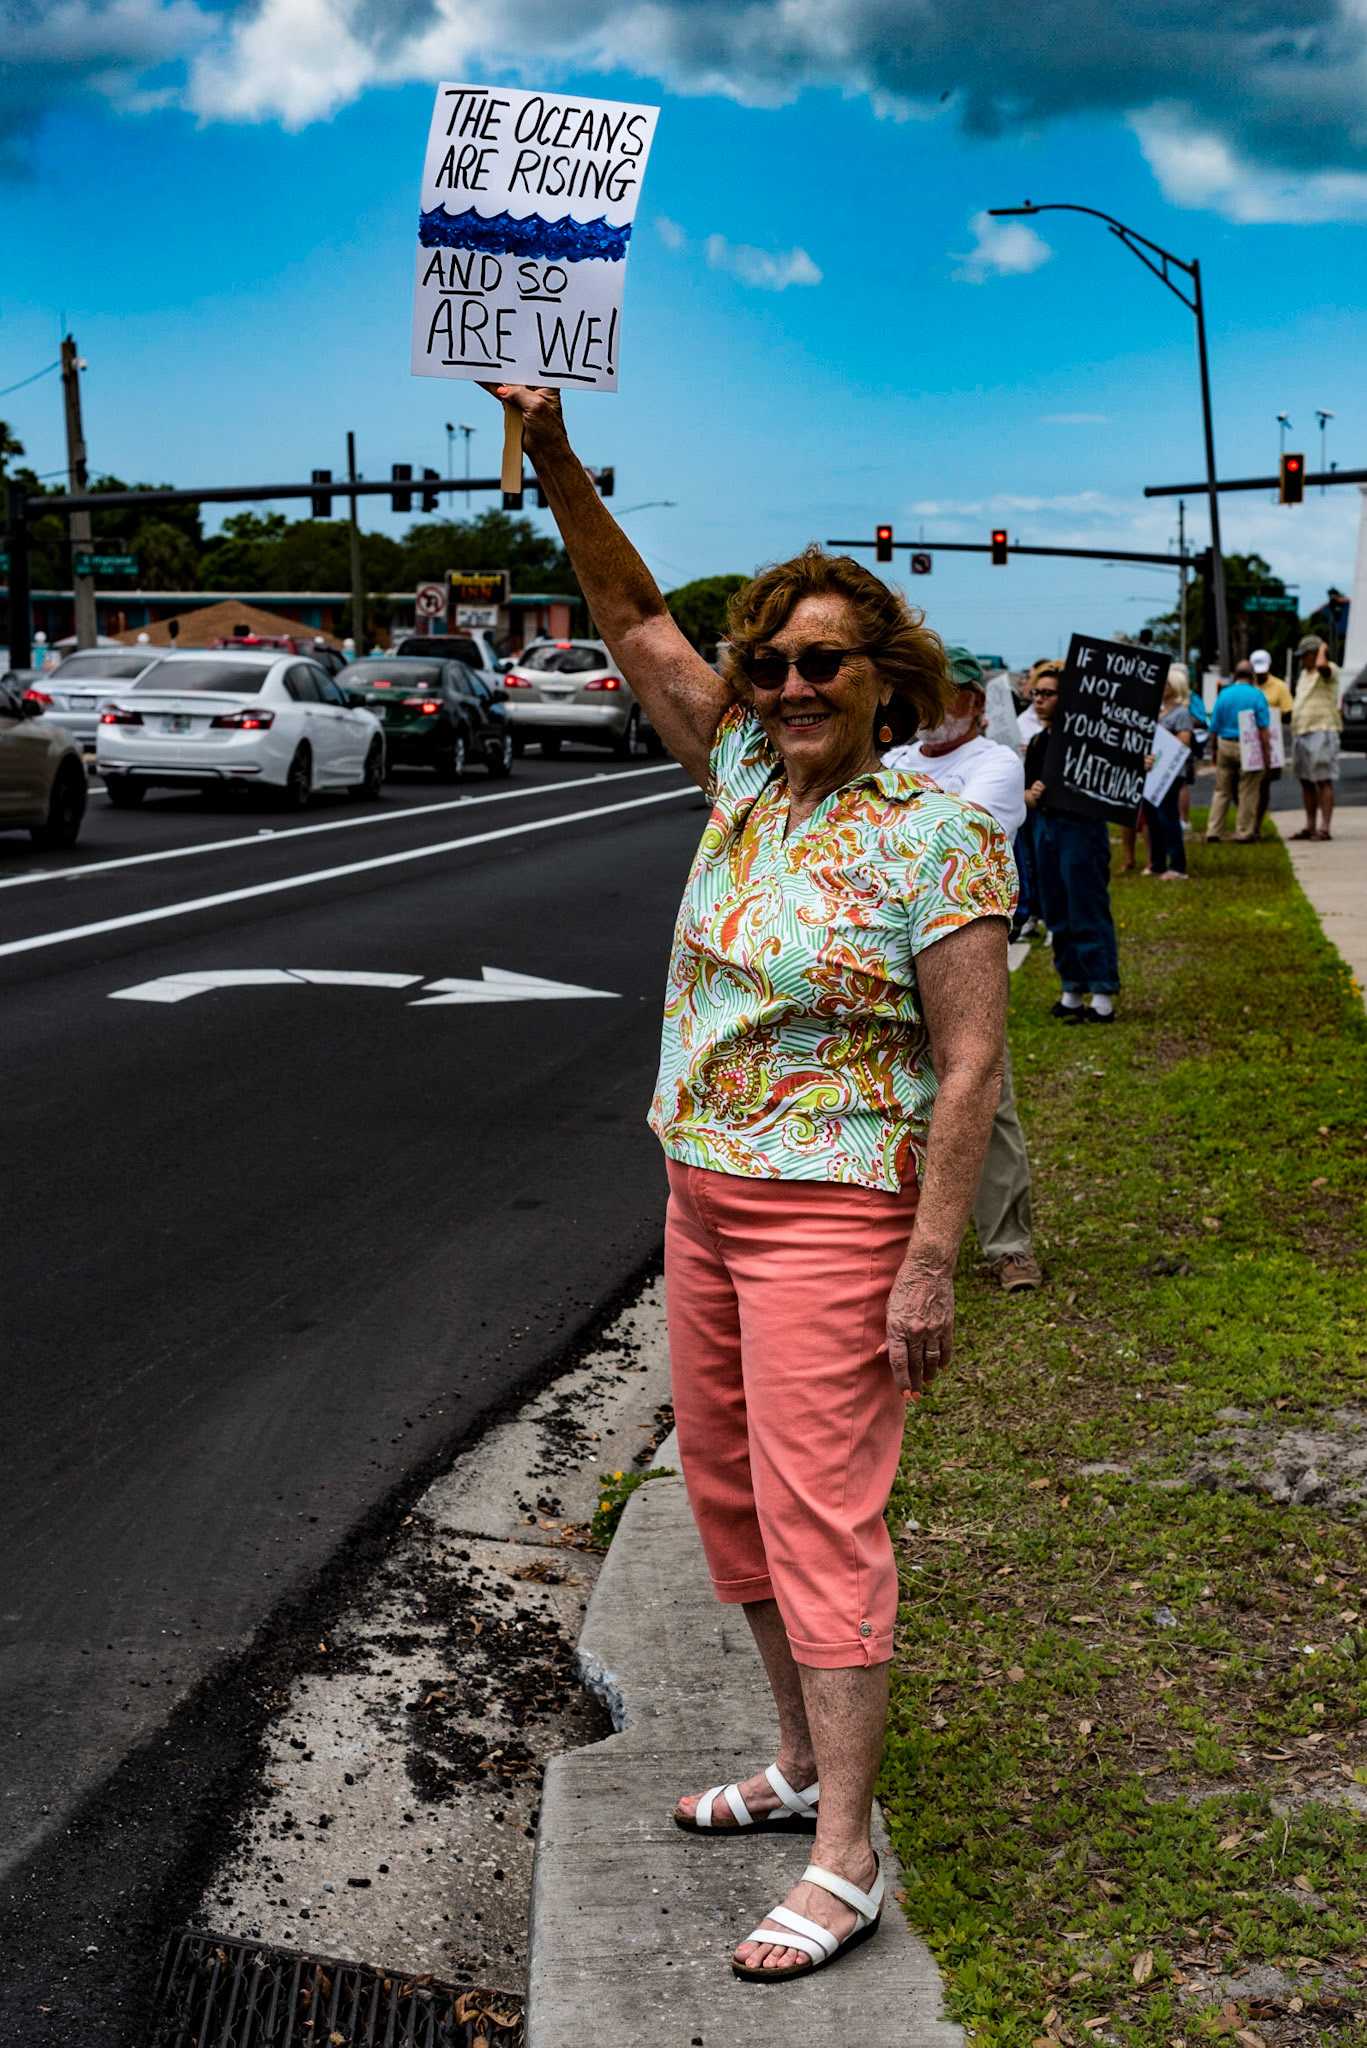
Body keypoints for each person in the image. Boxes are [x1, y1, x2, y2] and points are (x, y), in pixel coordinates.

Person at [486, 380, 1014, 1984]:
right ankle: (794, 1764)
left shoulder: (934, 837)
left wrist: (928, 1260)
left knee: (822, 1516)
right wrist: (554, 452)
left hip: (838, 1214)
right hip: (702, 1199)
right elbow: (629, 605)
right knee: (725, 1497)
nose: (787, 683)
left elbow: (973, 1063)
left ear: (883, 682)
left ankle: (846, 1854)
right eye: (769, 661)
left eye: (820, 663)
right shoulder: (733, 778)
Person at [884, 651, 1041, 1294]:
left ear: (978, 704)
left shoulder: (996, 764)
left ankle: (1009, 1245)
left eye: (949, 695)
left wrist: (887, 828)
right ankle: (899, 1243)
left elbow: (959, 839)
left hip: (960, 953)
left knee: (981, 1095)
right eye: (924, 693)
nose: (934, 707)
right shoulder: (891, 761)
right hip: (886, 950)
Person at [1023, 671, 1121, 1022]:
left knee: (1087, 907)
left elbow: (1114, 774)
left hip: (1080, 827)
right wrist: (1029, 797)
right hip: (1045, 827)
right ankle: (1072, 990)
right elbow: (1024, 794)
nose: (1039, 699)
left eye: (1048, 693)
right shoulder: (1036, 742)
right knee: (1056, 911)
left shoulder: (1086, 740)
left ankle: (1102, 992)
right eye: (1036, 692)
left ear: (1066, 699)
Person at [1205, 661, 1270, 842]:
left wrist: (1213, 750)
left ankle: (1214, 830)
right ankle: (1244, 832)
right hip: (1248, 745)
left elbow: (1213, 726)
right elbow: (1263, 728)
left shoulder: (1224, 694)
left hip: (1225, 743)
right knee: (1248, 790)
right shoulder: (1257, 695)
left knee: (1221, 790)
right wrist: (1267, 753)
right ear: (1252, 676)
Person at [1140, 666, 1194, 880]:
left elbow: (1184, 742)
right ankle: (1157, 862)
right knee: (1152, 818)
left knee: (1167, 817)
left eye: (1167, 683)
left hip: (1170, 773)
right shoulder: (1156, 710)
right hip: (1152, 772)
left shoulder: (1181, 713)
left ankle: (1178, 866)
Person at [1289, 634, 1341, 841]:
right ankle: (1310, 825)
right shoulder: (1303, 675)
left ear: (1314, 654)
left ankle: (1324, 827)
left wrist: (1323, 649)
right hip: (1302, 730)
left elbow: (1322, 666)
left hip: (1322, 729)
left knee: (1323, 779)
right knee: (1306, 780)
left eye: (1305, 656)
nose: (1302, 660)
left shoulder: (1329, 670)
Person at [1249, 648, 1293, 832]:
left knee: (1263, 785)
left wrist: (1270, 718)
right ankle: (1247, 821)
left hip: (1269, 743)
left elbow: (1288, 713)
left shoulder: (1279, 687)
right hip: (1248, 743)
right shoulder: (1246, 686)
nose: (1260, 675)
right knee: (1246, 785)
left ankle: (1257, 824)